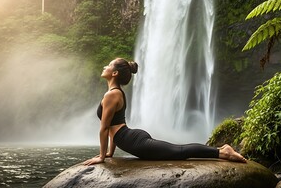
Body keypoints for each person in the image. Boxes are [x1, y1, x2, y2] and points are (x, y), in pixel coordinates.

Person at [83, 58, 247, 165]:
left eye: (108, 65)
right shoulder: (116, 93)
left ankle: (222, 151)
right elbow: (114, 125)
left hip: (134, 141)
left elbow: (105, 128)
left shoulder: (112, 95)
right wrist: (110, 152)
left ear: (114, 73)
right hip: (130, 137)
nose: (105, 66)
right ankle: (220, 151)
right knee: (177, 151)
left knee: (178, 152)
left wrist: (102, 157)